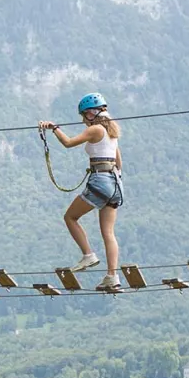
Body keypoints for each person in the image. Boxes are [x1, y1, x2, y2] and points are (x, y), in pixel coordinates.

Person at [39, 93, 123, 291]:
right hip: (116, 184)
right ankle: (112, 276)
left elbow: (68, 143)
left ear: (91, 114)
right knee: (108, 233)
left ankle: (88, 255)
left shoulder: (96, 129)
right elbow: (119, 163)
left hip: (101, 181)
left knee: (70, 217)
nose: (84, 120)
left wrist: (54, 128)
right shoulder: (112, 133)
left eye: (84, 116)